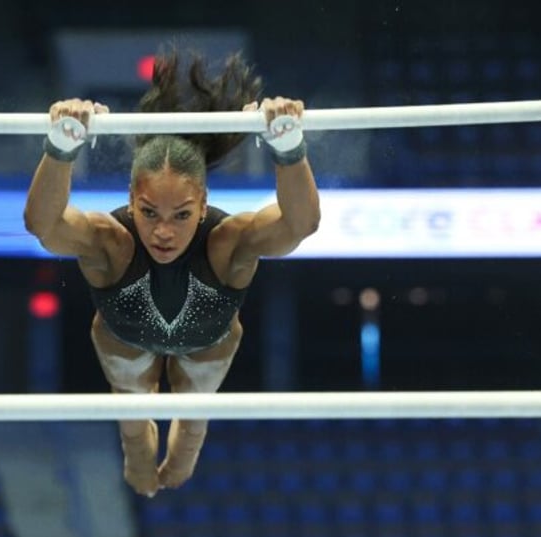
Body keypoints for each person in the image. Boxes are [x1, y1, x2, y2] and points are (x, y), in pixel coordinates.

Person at [23, 47, 320, 497]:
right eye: (148, 212)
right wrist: (61, 148)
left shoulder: (227, 243)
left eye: (181, 215)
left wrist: (289, 150)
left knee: (189, 431)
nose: (163, 232)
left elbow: (301, 224)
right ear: (130, 199)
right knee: (134, 440)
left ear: (202, 205)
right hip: (125, 337)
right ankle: (138, 448)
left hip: (208, 341)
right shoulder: (111, 242)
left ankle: (190, 438)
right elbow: (42, 225)